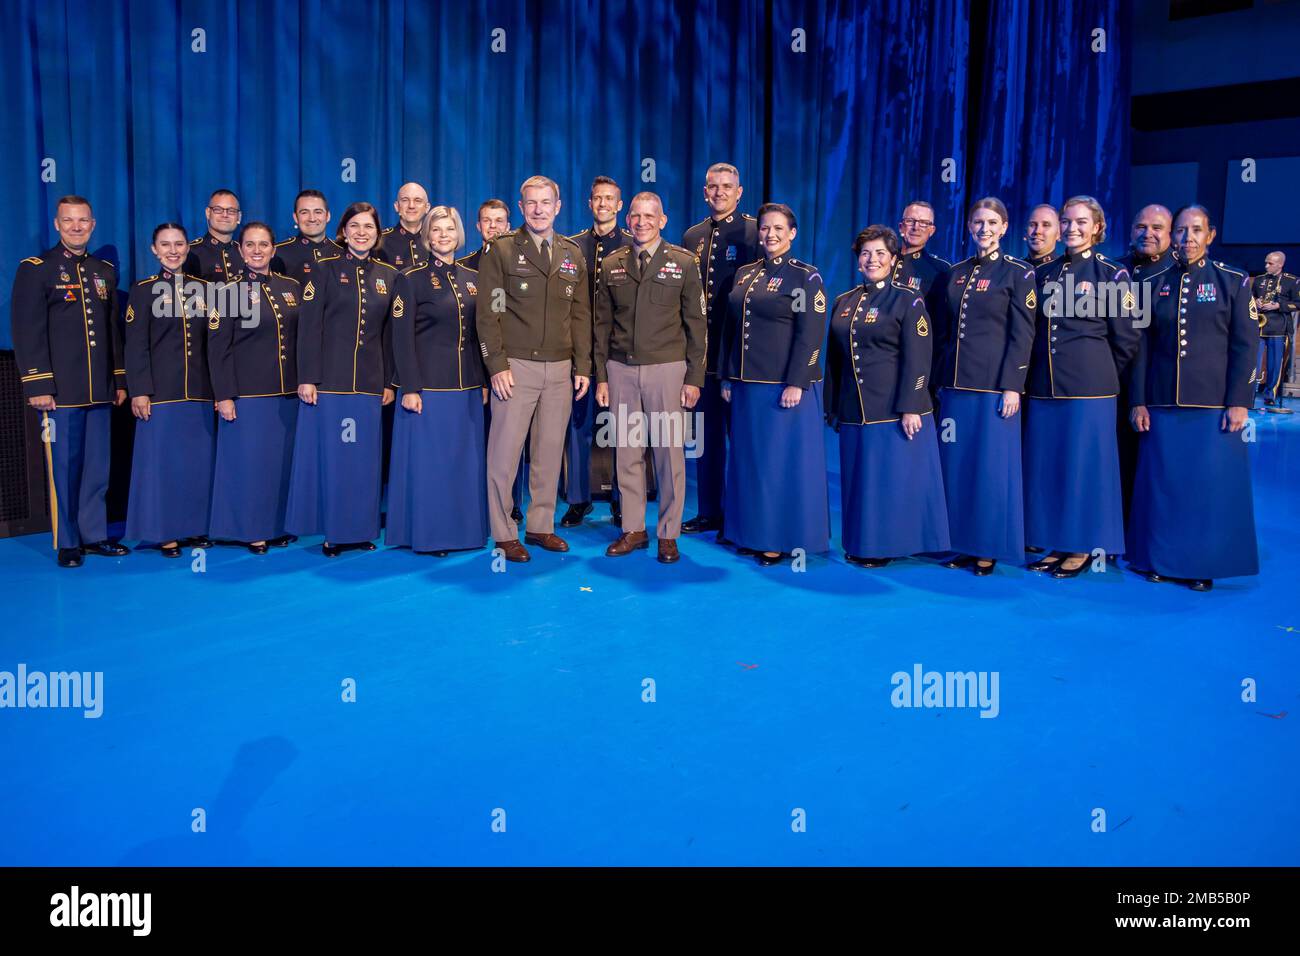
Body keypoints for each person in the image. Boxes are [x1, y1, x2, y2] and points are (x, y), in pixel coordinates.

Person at [1127, 205, 1259, 591]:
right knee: (1166, 488)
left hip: (1212, 406)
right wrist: (1139, 400)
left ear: (1210, 235)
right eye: (1181, 231)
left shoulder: (1233, 281)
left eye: (1196, 231)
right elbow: (1141, 350)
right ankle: (1161, 559)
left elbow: (1246, 347)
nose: (1188, 239)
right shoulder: (1154, 284)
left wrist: (1239, 400)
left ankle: (1200, 565)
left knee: (1206, 489)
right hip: (1162, 404)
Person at [476, 175, 592, 562]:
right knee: (504, 456)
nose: (539, 209)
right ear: (521, 207)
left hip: (560, 369)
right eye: (531, 203)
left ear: (558, 206)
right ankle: (504, 533)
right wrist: (496, 364)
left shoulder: (573, 253)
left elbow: (580, 315)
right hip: (516, 368)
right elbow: (489, 312)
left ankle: (542, 526)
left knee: (547, 453)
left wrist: (583, 366)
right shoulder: (502, 250)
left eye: (546, 202)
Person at [10, 195, 129, 567]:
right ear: (57, 224)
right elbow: (27, 331)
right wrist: (38, 385)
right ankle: (68, 541)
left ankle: (94, 535)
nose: (76, 227)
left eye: (83, 221)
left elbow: (110, 332)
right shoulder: (36, 269)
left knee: (98, 466)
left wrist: (119, 380)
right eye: (69, 221)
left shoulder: (103, 271)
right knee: (64, 464)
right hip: (60, 390)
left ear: (93, 225)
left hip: (99, 388)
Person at [1023, 196, 1138, 578]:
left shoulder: (1112, 274)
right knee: (1050, 469)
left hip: (1090, 391)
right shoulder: (1045, 273)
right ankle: (1056, 540)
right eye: (1067, 221)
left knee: (1084, 471)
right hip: (1045, 387)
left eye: (1081, 222)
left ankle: (1083, 546)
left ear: (1098, 228)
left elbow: (1126, 340)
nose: (1073, 228)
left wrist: (1096, 374)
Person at [592, 192, 705, 564]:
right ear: (628, 220)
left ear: (663, 219)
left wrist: (694, 378)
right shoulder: (611, 264)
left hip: (668, 369)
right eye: (636, 216)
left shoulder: (684, 263)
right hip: (620, 369)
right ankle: (634, 529)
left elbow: (697, 325)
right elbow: (602, 324)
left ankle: (668, 533)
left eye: (649, 215)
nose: (641, 222)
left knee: (669, 455)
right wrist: (601, 376)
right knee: (626, 452)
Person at [826, 226, 949, 567]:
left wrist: (912, 406)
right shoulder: (844, 301)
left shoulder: (908, 300)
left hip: (891, 407)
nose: (872, 259)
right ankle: (860, 542)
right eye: (866, 253)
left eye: (880, 253)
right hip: (854, 408)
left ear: (894, 260)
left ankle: (883, 546)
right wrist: (832, 406)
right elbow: (834, 360)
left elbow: (919, 357)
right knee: (857, 481)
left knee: (885, 482)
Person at [285, 201, 401, 556]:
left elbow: (390, 336)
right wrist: (307, 377)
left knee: (364, 461)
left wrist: (389, 382)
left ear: (377, 233)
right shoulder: (323, 271)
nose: (362, 232)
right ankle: (334, 533)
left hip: (369, 384)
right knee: (336, 458)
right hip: (331, 384)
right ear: (344, 231)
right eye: (355, 226)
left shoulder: (389, 276)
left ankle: (361, 530)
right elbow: (308, 328)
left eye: (368, 226)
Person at [717, 202, 829, 566]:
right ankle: (747, 531)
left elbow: (811, 336)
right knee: (749, 462)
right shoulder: (745, 274)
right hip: (746, 385)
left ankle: (777, 538)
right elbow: (731, 331)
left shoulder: (805, 277)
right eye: (765, 228)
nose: (771, 235)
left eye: (779, 228)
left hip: (781, 386)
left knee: (778, 465)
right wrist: (728, 375)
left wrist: (797, 381)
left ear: (792, 233)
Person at [932, 197, 1037, 576]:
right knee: (958, 467)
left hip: (994, 387)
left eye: (992, 222)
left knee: (990, 470)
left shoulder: (1019, 273)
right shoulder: (956, 272)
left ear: (1005, 227)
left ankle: (988, 548)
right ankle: (960, 542)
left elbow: (1022, 334)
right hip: (957, 386)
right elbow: (945, 332)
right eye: (978, 222)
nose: (984, 228)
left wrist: (1013, 386)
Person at [386, 206, 490, 555]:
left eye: (449, 229)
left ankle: (463, 531)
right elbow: (400, 338)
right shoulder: (410, 279)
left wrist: (485, 381)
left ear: (459, 235)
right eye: (436, 230)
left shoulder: (473, 279)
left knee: (462, 462)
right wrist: (410, 387)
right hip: (429, 389)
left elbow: (481, 335)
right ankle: (431, 535)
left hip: (468, 389)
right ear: (426, 237)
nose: (443, 235)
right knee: (432, 466)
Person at [124, 223, 218, 557]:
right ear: (154, 249)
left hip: (200, 392)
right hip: (161, 393)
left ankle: (193, 527)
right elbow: (136, 347)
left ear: (187, 248)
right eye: (165, 245)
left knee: (196, 463)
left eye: (179, 244)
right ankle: (165, 532)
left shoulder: (206, 290)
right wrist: (139, 390)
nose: (173, 251)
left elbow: (215, 345)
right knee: (162, 465)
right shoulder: (143, 290)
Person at [207, 222, 301, 553]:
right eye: (250, 245)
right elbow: (218, 350)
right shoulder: (226, 293)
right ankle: (251, 529)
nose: (257, 251)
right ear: (240, 250)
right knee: (250, 466)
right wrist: (225, 396)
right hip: (248, 395)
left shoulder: (290, 287)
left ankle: (278, 526)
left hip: (287, 394)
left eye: (263, 245)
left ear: (274, 250)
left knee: (279, 465)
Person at [679, 162, 759, 537]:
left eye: (727, 186)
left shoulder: (756, 232)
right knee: (707, 439)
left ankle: (744, 517)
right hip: (702, 354)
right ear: (704, 191)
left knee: (743, 439)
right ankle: (710, 511)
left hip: (742, 354)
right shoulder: (692, 235)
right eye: (713, 186)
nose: (720, 192)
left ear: (739, 192)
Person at [564, 176, 634, 527]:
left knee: (622, 429)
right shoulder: (572, 247)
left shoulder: (633, 246)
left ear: (620, 205)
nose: (603, 204)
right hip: (579, 352)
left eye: (610, 198)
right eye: (597, 198)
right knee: (578, 426)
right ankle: (578, 499)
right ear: (589, 203)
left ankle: (623, 499)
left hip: (619, 352)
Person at [1253, 251, 1298, 410]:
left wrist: (1279, 306)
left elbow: (1297, 303)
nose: (1266, 266)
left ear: (1280, 264)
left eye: (1270, 263)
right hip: (1258, 327)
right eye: (1266, 262)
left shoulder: (1292, 281)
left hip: (1279, 327)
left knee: (1274, 366)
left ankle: (1270, 395)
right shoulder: (1258, 280)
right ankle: (1249, 394)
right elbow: (1249, 298)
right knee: (1253, 364)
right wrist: (1255, 301)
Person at [271, 189, 342, 276]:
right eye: (304, 212)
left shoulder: (343, 252)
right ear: (295, 217)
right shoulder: (276, 252)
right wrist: (253, 290)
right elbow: (254, 281)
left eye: (318, 212)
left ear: (328, 216)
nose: (312, 218)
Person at [185, 188, 246, 280]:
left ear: (239, 217)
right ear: (208, 213)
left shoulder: (246, 252)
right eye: (218, 210)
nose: (225, 215)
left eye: (231, 211)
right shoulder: (189, 252)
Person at [375, 182, 429, 270]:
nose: (411, 206)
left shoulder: (434, 240)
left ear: (427, 207)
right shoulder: (380, 240)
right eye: (405, 200)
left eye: (417, 200)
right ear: (397, 206)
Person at [1120, 205, 1175, 280]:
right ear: (1131, 231)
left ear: (1171, 233)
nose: (1147, 235)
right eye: (1141, 227)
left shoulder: (1180, 269)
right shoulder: (1113, 269)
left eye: (1156, 228)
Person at [457, 199, 511, 272]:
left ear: (507, 227)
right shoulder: (462, 266)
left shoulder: (520, 262)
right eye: (486, 220)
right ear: (479, 226)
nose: (492, 225)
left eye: (499, 221)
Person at [1024, 204, 1060, 269]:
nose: (1037, 231)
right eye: (1032, 225)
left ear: (1058, 234)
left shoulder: (1069, 271)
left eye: (1046, 225)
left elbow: (1070, 279)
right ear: (1025, 232)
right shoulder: (1013, 270)